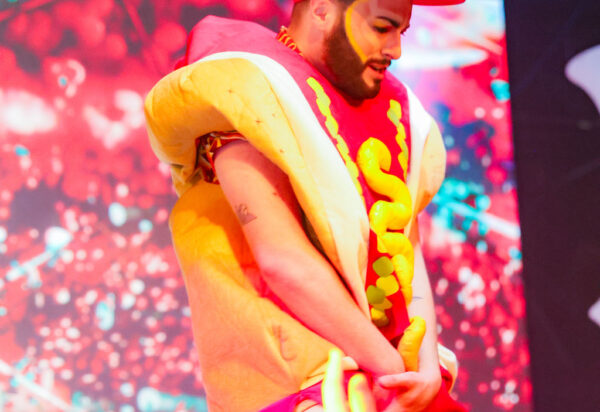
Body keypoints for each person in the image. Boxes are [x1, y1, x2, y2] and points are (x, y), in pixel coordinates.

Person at [145, 0, 467, 410]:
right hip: (300, 382)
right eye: (382, 28)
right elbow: (283, 261)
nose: (396, 51)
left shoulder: (388, 111)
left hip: (382, 376)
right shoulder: (253, 86)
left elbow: (405, 241)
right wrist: (390, 370)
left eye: (400, 33)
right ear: (321, 10)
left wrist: (423, 366)